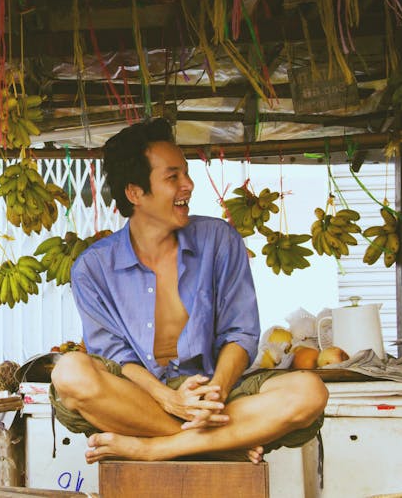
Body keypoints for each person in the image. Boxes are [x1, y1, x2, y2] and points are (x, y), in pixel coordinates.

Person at [49, 118, 328, 464]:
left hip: (220, 395)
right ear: (135, 193)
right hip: (140, 399)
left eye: (186, 173)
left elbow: (240, 334)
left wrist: (215, 393)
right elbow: (118, 358)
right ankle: (223, 444)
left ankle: (156, 447)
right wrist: (168, 399)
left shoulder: (219, 240)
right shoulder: (92, 269)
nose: (189, 185)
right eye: (173, 177)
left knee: (309, 392)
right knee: (69, 373)